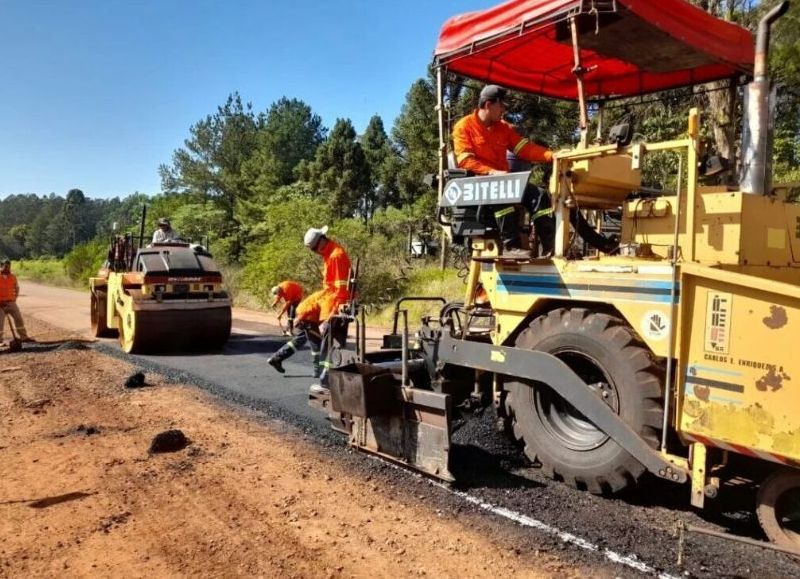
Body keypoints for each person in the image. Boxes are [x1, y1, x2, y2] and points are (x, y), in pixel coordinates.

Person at [452, 84, 616, 256]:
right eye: (501, 106)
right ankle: (510, 246)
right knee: (501, 196)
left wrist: (551, 155)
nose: (503, 111)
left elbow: (525, 148)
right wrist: (491, 172)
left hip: (503, 183)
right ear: (488, 105)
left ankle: (550, 247)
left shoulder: (503, 128)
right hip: (479, 186)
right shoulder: (463, 127)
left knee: (538, 195)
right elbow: (465, 160)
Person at [267, 227, 351, 397]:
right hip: (324, 300)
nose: (314, 252)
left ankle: (326, 381)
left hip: (336, 303)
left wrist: (329, 317)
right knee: (306, 319)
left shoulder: (335, 256)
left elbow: (340, 292)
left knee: (328, 340)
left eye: (313, 249)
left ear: (321, 241)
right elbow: (328, 290)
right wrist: (302, 315)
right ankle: (321, 374)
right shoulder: (328, 255)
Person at [0, 259, 32, 345]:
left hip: (11, 303)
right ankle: (0, 341)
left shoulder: (12, 277)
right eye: (5, 266)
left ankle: (23, 337)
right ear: (1, 266)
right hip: (0, 304)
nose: (7, 268)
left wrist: (15, 298)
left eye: (9, 266)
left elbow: (16, 288)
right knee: (0, 322)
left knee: (19, 319)